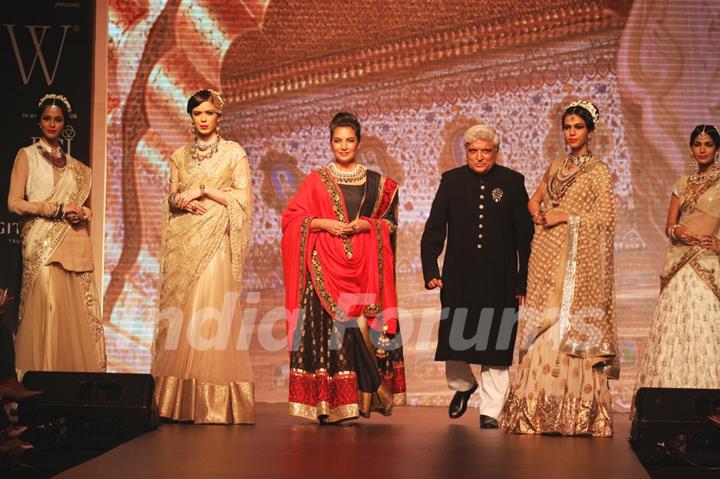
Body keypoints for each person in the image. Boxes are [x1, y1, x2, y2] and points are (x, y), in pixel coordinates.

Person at [501, 100, 618, 437]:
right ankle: (535, 414)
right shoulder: (555, 167)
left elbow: (606, 219)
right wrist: (539, 213)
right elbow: (533, 199)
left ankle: (576, 416)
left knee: (568, 326)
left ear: (590, 132)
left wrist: (564, 216)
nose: (571, 133)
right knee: (542, 327)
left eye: (578, 127)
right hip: (547, 254)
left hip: (576, 266)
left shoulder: (598, 171)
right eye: (567, 127)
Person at [281, 112, 406, 423]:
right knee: (329, 337)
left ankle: (363, 402)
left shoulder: (378, 184)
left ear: (359, 142)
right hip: (323, 267)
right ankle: (328, 404)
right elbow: (291, 220)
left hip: (364, 268)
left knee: (362, 332)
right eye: (338, 141)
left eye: (350, 140)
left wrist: (367, 225)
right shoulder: (316, 181)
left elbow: (390, 226)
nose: (344, 146)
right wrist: (324, 224)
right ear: (330, 143)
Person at [151, 89, 254, 424]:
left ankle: (214, 404)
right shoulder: (180, 155)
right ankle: (174, 402)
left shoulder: (234, 153)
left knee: (210, 309)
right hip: (185, 240)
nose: (204, 119)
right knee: (182, 312)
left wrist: (205, 191)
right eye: (198, 114)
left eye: (209, 113)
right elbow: (171, 196)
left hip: (214, 241)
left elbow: (243, 199)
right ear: (191, 118)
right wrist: (179, 200)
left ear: (219, 117)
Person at [421, 124, 533, 428]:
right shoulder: (452, 181)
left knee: (496, 347)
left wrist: (523, 281)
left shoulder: (512, 182)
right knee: (454, 342)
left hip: (500, 280)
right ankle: (463, 386)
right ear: (466, 152)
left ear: (496, 152)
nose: (480, 157)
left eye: (486, 151)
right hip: (459, 277)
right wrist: (431, 268)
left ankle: (490, 412)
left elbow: (525, 237)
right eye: (473, 151)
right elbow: (434, 227)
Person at [7, 94, 106, 375]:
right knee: (48, 307)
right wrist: (55, 208)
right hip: (42, 242)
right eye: (47, 118)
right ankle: (42, 383)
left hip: (72, 242)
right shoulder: (26, 156)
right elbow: (14, 203)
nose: (52, 124)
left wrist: (82, 214)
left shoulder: (78, 168)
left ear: (65, 123)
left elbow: (88, 210)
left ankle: (69, 385)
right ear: (39, 122)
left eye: (58, 119)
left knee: (69, 315)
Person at [632, 125, 720, 404]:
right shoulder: (681, 184)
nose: (702, 149)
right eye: (697, 144)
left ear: (717, 149)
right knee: (673, 330)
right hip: (680, 263)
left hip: (707, 264)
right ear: (691, 148)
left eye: (708, 144)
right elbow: (669, 225)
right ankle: (667, 403)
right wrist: (681, 232)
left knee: (706, 329)